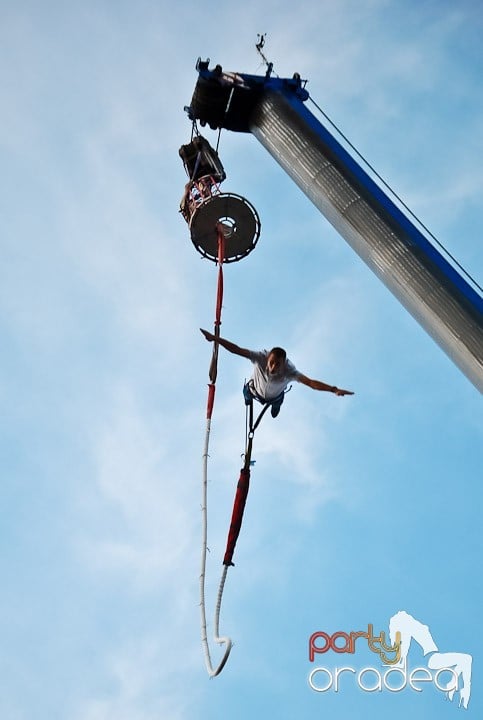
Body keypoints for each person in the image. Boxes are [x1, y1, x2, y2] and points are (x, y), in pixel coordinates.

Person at [200, 329, 354, 418]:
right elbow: (237, 349)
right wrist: (215, 338)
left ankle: (276, 405)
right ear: (267, 358)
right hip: (254, 390)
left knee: (277, 400)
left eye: (277, 364)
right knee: (247, 391)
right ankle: (248, 395)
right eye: (271, 362)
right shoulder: (260, 357)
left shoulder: (289, 371)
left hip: (275, 396)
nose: (273, 367)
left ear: (283, 364)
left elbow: (311, 383)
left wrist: (333, 389)